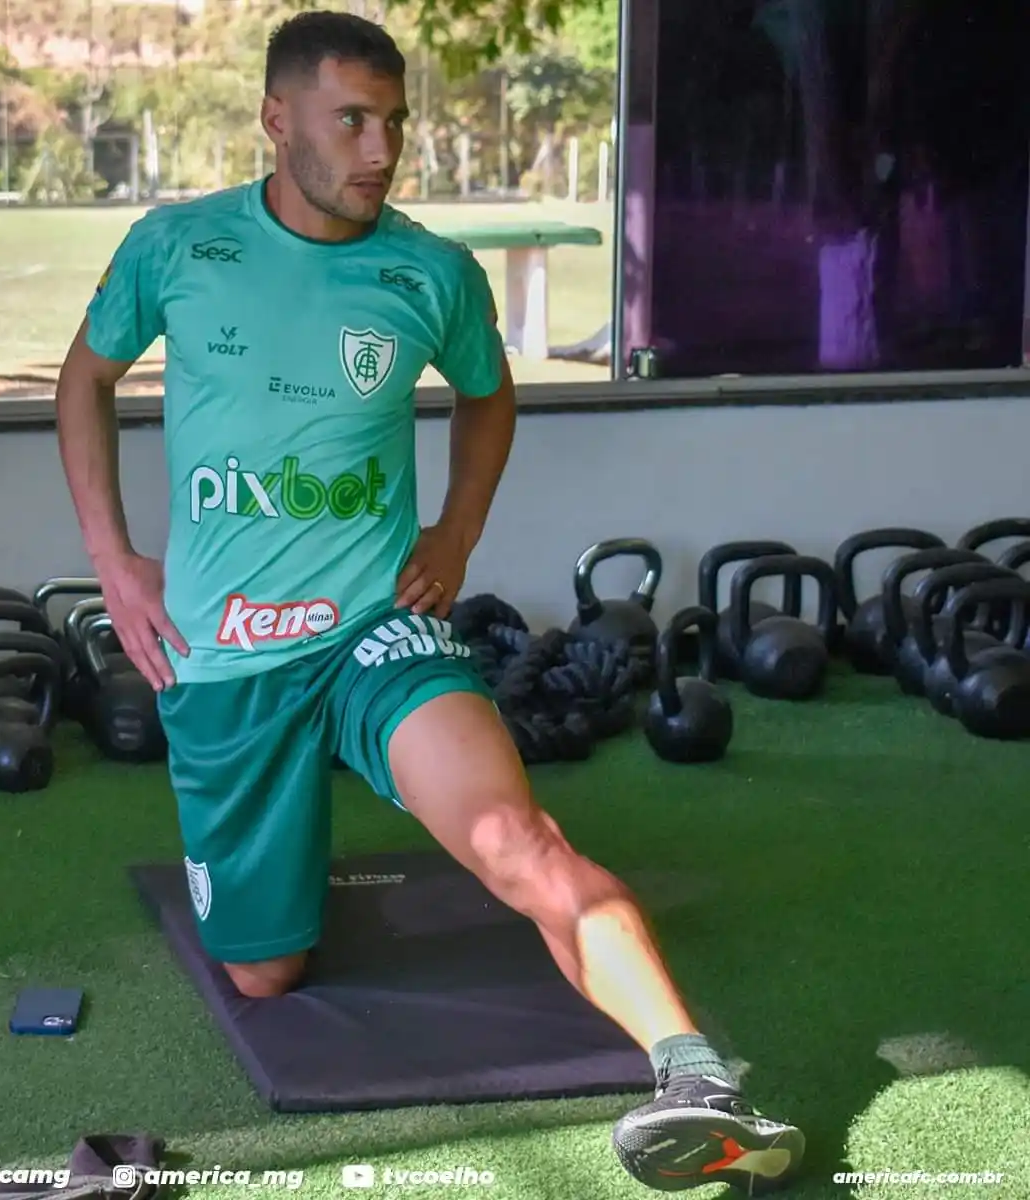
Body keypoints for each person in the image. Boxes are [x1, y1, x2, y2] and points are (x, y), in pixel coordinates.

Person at [53, 11, 805, 1193]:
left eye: (394, 123)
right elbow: (84, 379)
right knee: (265, 974)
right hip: (225, 654)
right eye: (352, 118)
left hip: (374, 634)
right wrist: (112, 555)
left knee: (519, 840)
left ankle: (700, 1078)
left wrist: (457, 531)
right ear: (276, 118)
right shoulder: (176, 248)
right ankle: (288, 836)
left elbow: (490, 397)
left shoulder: (428, 273)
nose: (380, 148)